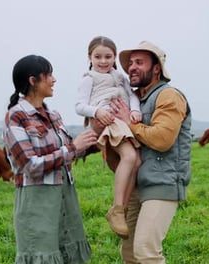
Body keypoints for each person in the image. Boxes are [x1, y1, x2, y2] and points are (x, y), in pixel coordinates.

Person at [3, 54, 97, 264]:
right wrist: (73, 148)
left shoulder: (54, 115)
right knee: (42, 256)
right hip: (37, 201)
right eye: (49, 75)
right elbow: (30, 165)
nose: (54, 80)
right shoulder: (16, 116)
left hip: (65, 197)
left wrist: (96, 140)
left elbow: (71, 151)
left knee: (69, 254)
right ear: (32, 80)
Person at [109, 41, 192, 263]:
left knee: (146, 251)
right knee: (129, 253)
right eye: (130, 63)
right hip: (138, 186)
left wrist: (130, 123)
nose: (132, 67)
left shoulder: (168, 96)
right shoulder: (135, 100)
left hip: (162, 183)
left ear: (156, 69)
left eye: (139, 62)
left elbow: (163, 139)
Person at [75, 36, 142, 239]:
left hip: (123, 120)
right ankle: (118, 209)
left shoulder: (120, 77)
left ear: (114, 57)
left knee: (137, 161)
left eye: (108, 56)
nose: (103, 61)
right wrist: (96, 112)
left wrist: (135, 110)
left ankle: (120, 209)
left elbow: (132, 95)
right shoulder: (89, 78)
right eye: (98, 57)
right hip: (108, 120)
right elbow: (79, 106)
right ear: (90, 57)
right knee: (130, 157)